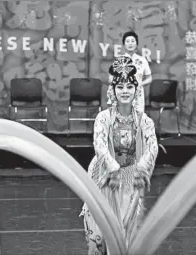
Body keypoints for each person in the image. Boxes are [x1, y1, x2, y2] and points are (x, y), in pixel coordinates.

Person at [81, 56, 158, 254]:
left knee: (124, 239)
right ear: (113, 90)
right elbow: (99, 144)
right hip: (103, 178)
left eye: (129, 87)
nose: (125, 91)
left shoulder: (144, 121)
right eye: (120, 87)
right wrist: (112, 166)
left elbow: (153, 146)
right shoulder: (103, 118)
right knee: (97, 238)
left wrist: (142, 168)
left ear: (136, 90)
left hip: (129, 180)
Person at [108, 31, 153, 112]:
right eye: (127, 41)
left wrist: (140, 84)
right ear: (124, 45)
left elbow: (149, 78)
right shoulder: (119, 60)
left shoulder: (142, 60)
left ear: (136, 44)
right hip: (123, 93)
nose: (130, 43)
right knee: (122, 118)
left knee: (137, 117)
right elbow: (110, 78)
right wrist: (120, 86)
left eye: (133, 41)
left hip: (137, 93)